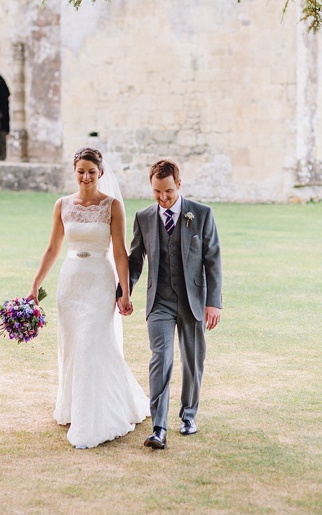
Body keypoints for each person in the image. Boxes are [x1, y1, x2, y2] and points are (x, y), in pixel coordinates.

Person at [29, 147, 149, 448]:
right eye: (81, 171)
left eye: (91, 172)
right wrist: (34, 287)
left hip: (100, 282)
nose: (85, 177)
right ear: (74, 171)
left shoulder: (112, 206)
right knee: (73, 347)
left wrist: (125, 292)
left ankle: (96, 417)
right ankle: (75, 407)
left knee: (92, 345)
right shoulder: (62, 205)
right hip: (70, 283)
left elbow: (121, 252)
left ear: (101, 173)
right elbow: (52, 249)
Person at [125, 159, 223, 450]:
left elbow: (212, 260)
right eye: (157, 192)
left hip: (193, 301)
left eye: (168, 191)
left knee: (193, 361)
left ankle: (188, 415)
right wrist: (125, 291)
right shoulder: (143, 217)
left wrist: (213, 302)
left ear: (178, 185)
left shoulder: (202, 215)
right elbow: (135, 260)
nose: (163, 198)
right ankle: (159, 427)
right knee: (161, 359)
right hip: (160, 302)